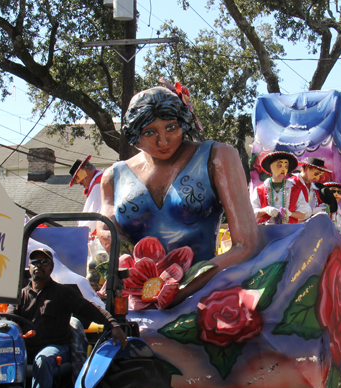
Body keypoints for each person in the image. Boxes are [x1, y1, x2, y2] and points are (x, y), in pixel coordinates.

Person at [98, 84, 260, 300]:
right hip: (139, 299)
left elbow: (246, 245)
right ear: (134, 134)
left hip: (204, 297)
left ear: (183, 123)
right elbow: (107, 232)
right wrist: (142, 286)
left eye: (171, 128)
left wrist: (179, 289)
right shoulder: (113, 177)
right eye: (149, 132)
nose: (162, 141)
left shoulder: (217, 157)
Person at [10, 248, 126, 388]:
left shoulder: (62, 293)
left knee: (43, 359)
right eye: (35, 262)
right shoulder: (20, 296)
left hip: (56, 347)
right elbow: (10, 321)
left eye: (44, 262)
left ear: (51, 268)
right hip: (26, 349)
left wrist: (113, 324)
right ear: (28, 267)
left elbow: (89, 308)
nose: (39, 266)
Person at [251, 151, 311, 225]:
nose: (283, 169)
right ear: (271, 167)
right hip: (266, 229)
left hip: (288, 229)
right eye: (279, 165)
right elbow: (251, 213)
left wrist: (290, 214)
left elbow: (305, 213)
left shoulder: (295, 189)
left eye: (286, 166)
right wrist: (265, 210)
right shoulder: (259, 190)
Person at [69, 154, 104, 234]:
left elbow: (95, 214)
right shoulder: (98, 181)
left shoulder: (98, 185)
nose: (78, 183)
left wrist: (82, 233)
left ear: (85, 172)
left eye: (78, 178)